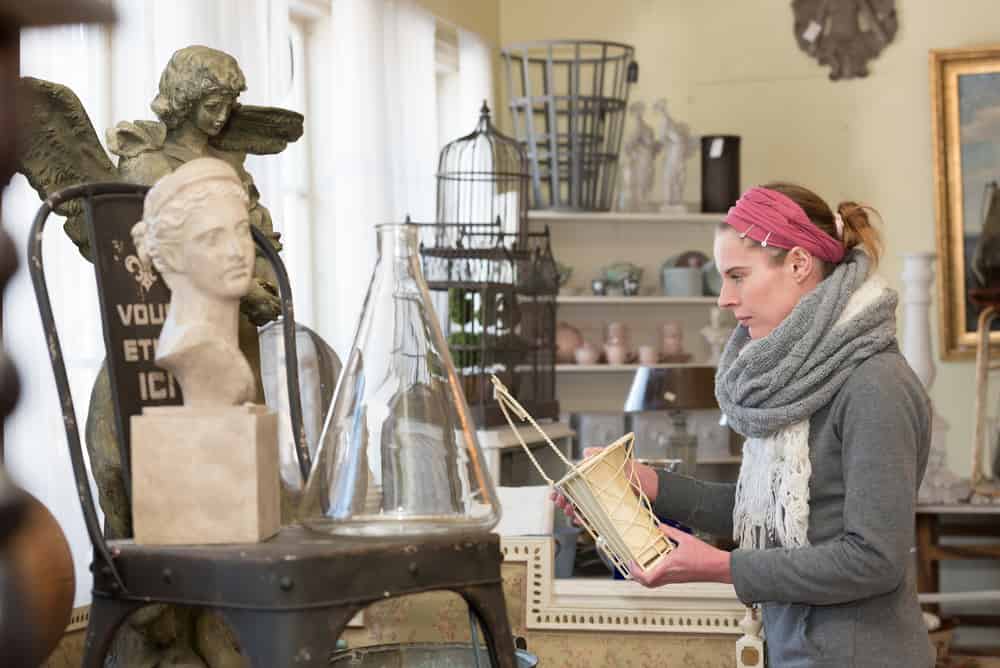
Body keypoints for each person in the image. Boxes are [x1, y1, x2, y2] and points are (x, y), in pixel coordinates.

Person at [555, 182, 933, 667]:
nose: (724, 300)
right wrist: (647, 484)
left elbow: (873, 560)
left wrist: (721, 567)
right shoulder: (800, 380)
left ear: (798, 264)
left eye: (738, 276)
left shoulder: (874, 385)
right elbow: (764, 509)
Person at [132, 157, 256, 406]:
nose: (237, 250)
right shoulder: (194, 349)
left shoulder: (223, 351)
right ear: (173, 255)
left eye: (242, 230)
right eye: (212, 238)